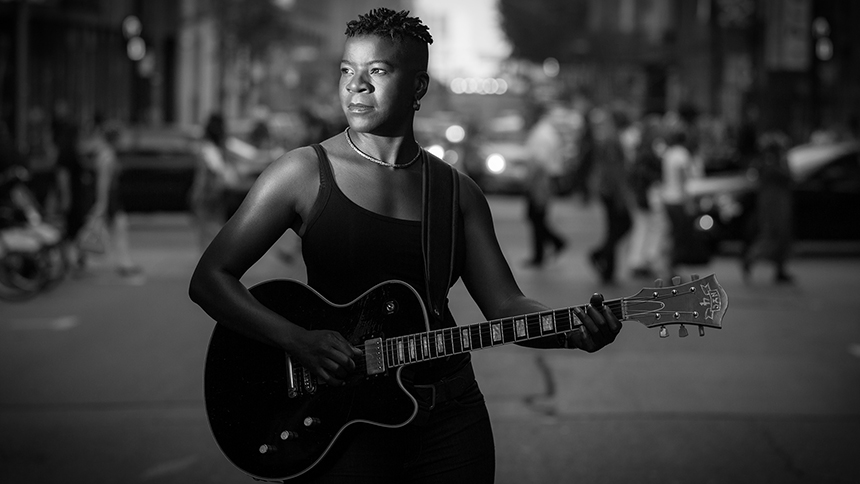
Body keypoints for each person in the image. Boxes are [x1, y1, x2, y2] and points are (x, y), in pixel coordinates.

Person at [189, 8, 621, 483]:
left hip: (450, 417)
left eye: (377, 71)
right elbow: (210, 279)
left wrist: (570, 331)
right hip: (344, 416)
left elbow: (505, 304)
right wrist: (296, 339)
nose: (357, 86)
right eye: (347, 71)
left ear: (418, 87)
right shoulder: (302, 173)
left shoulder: (457, 193)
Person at [82, 117, 142, 277]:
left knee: (107, 229)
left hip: (110, 198)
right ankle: (122, 263)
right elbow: (103, 182)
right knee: (110, 228)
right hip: (110, 198)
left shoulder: (105, 154)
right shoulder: (107, 156)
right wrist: (102, 203)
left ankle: (121, 262)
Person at [587, 108, 633, 284]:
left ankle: (608, 268)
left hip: (608, 189)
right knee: (624, 224)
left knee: (613, 228)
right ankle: (601, 255)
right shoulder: (612, 140)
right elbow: (614, 170)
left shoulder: (608, 138)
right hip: (612, 190)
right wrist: (622, 193)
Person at [741, 131, 794, 284]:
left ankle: (780, 269)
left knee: (783, 236)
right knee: (772, 235)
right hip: (773, 204)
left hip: (780, 202)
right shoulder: (770, 163)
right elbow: (787, 176)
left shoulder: (773, 162)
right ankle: (751, 258)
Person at [523, 103, 567, 267]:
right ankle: (545, 250)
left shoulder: (541, 133)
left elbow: (539, 162)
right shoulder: (547, 132)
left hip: (540, 180)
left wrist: (530, 182)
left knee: (536, 217)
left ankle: (545, 250)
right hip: (546, 178)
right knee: (537, 217)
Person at [189, 112, 241, 250]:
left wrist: (196, 194)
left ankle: (210, 257)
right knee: (217, 225)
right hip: (219, 192)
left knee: (205, 229)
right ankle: (220, 253)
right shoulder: (224, 145)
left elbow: (206, 174)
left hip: (206, 193)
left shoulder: (205, 148)